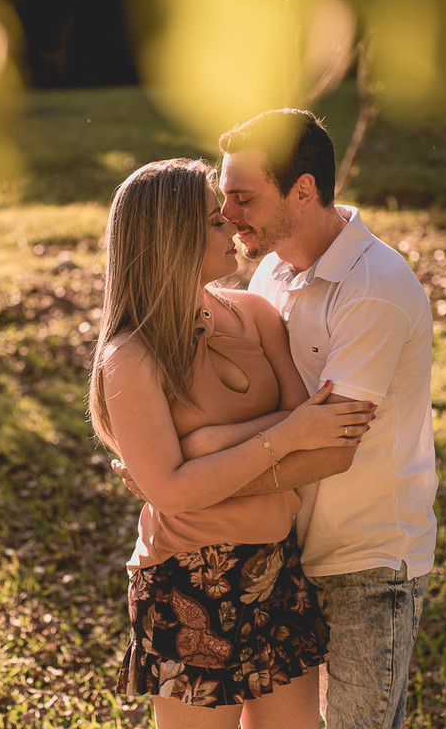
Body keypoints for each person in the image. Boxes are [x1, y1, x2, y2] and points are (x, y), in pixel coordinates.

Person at [88, 158, 379, 729]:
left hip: (277, 566)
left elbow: (312, 428)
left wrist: (207, 445)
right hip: (188, 581)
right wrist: (282, 436)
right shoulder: (130, 357)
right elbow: (174, 493)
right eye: (213, 220)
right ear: (172, 237)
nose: (232, 224)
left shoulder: (255, 312)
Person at [218, 108, 438, 729]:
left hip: (368, 561)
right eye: (225, 197)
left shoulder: (373, 285)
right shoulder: (270, 271)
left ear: (303, 191)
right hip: (288, 551)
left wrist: (194, 484)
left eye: (242, 197)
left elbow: (332, 447)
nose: (228, 214)